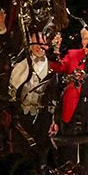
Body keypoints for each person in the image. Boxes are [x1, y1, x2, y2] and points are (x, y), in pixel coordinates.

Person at [8, 33, 56, 164]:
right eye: (36, 43)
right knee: (23, 149)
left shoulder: (54, 67)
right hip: (24, 115)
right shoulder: (22, 65)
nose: (39, 47)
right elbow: (12, 91)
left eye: (43, 44)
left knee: (42, 152)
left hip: (43, 118)